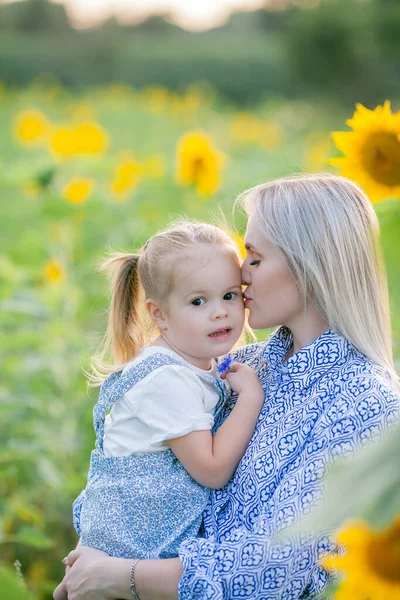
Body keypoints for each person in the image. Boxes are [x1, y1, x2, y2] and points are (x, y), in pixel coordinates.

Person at [54, 174, 400, 600]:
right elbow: (146, 467)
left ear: (309, 265)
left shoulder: (366, 402)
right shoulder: (244, 366)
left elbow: (278, 566)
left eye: (254, 257)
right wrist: (97, 556)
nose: (241, 273)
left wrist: (121, 575)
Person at [70, 221, 265, 562]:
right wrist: (250, 398)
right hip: (129, 552)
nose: (220, 311)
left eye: (229, 295)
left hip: (150, 547)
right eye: (198, 301)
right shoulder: (165, 380)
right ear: (160, 314)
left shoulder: (197, 363)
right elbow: (213, 470)